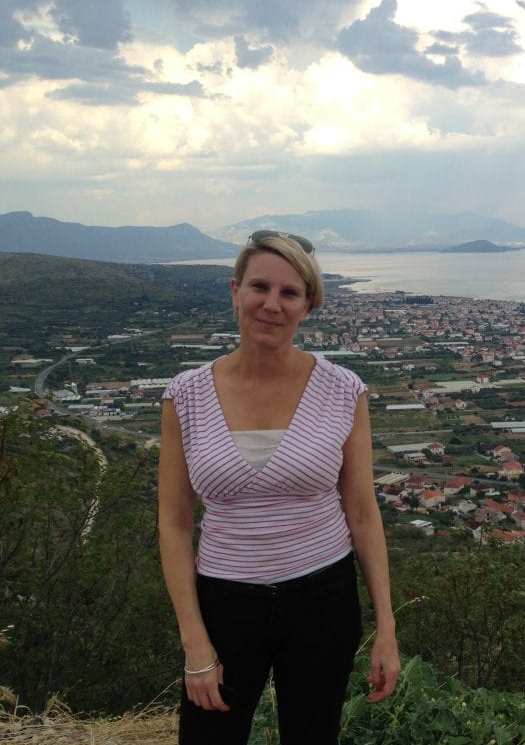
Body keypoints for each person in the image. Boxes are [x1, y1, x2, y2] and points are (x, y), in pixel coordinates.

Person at [158, 229, 400, 745]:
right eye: (259, 287)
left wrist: (387, 628)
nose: (272, 304)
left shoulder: (343, 390)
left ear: (308, 304)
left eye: (290, 293)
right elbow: (176, 524)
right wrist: (194, 642)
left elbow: (361, 511)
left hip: (322, 598)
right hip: (224, 602)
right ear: (235, 291)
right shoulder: (185, 395)